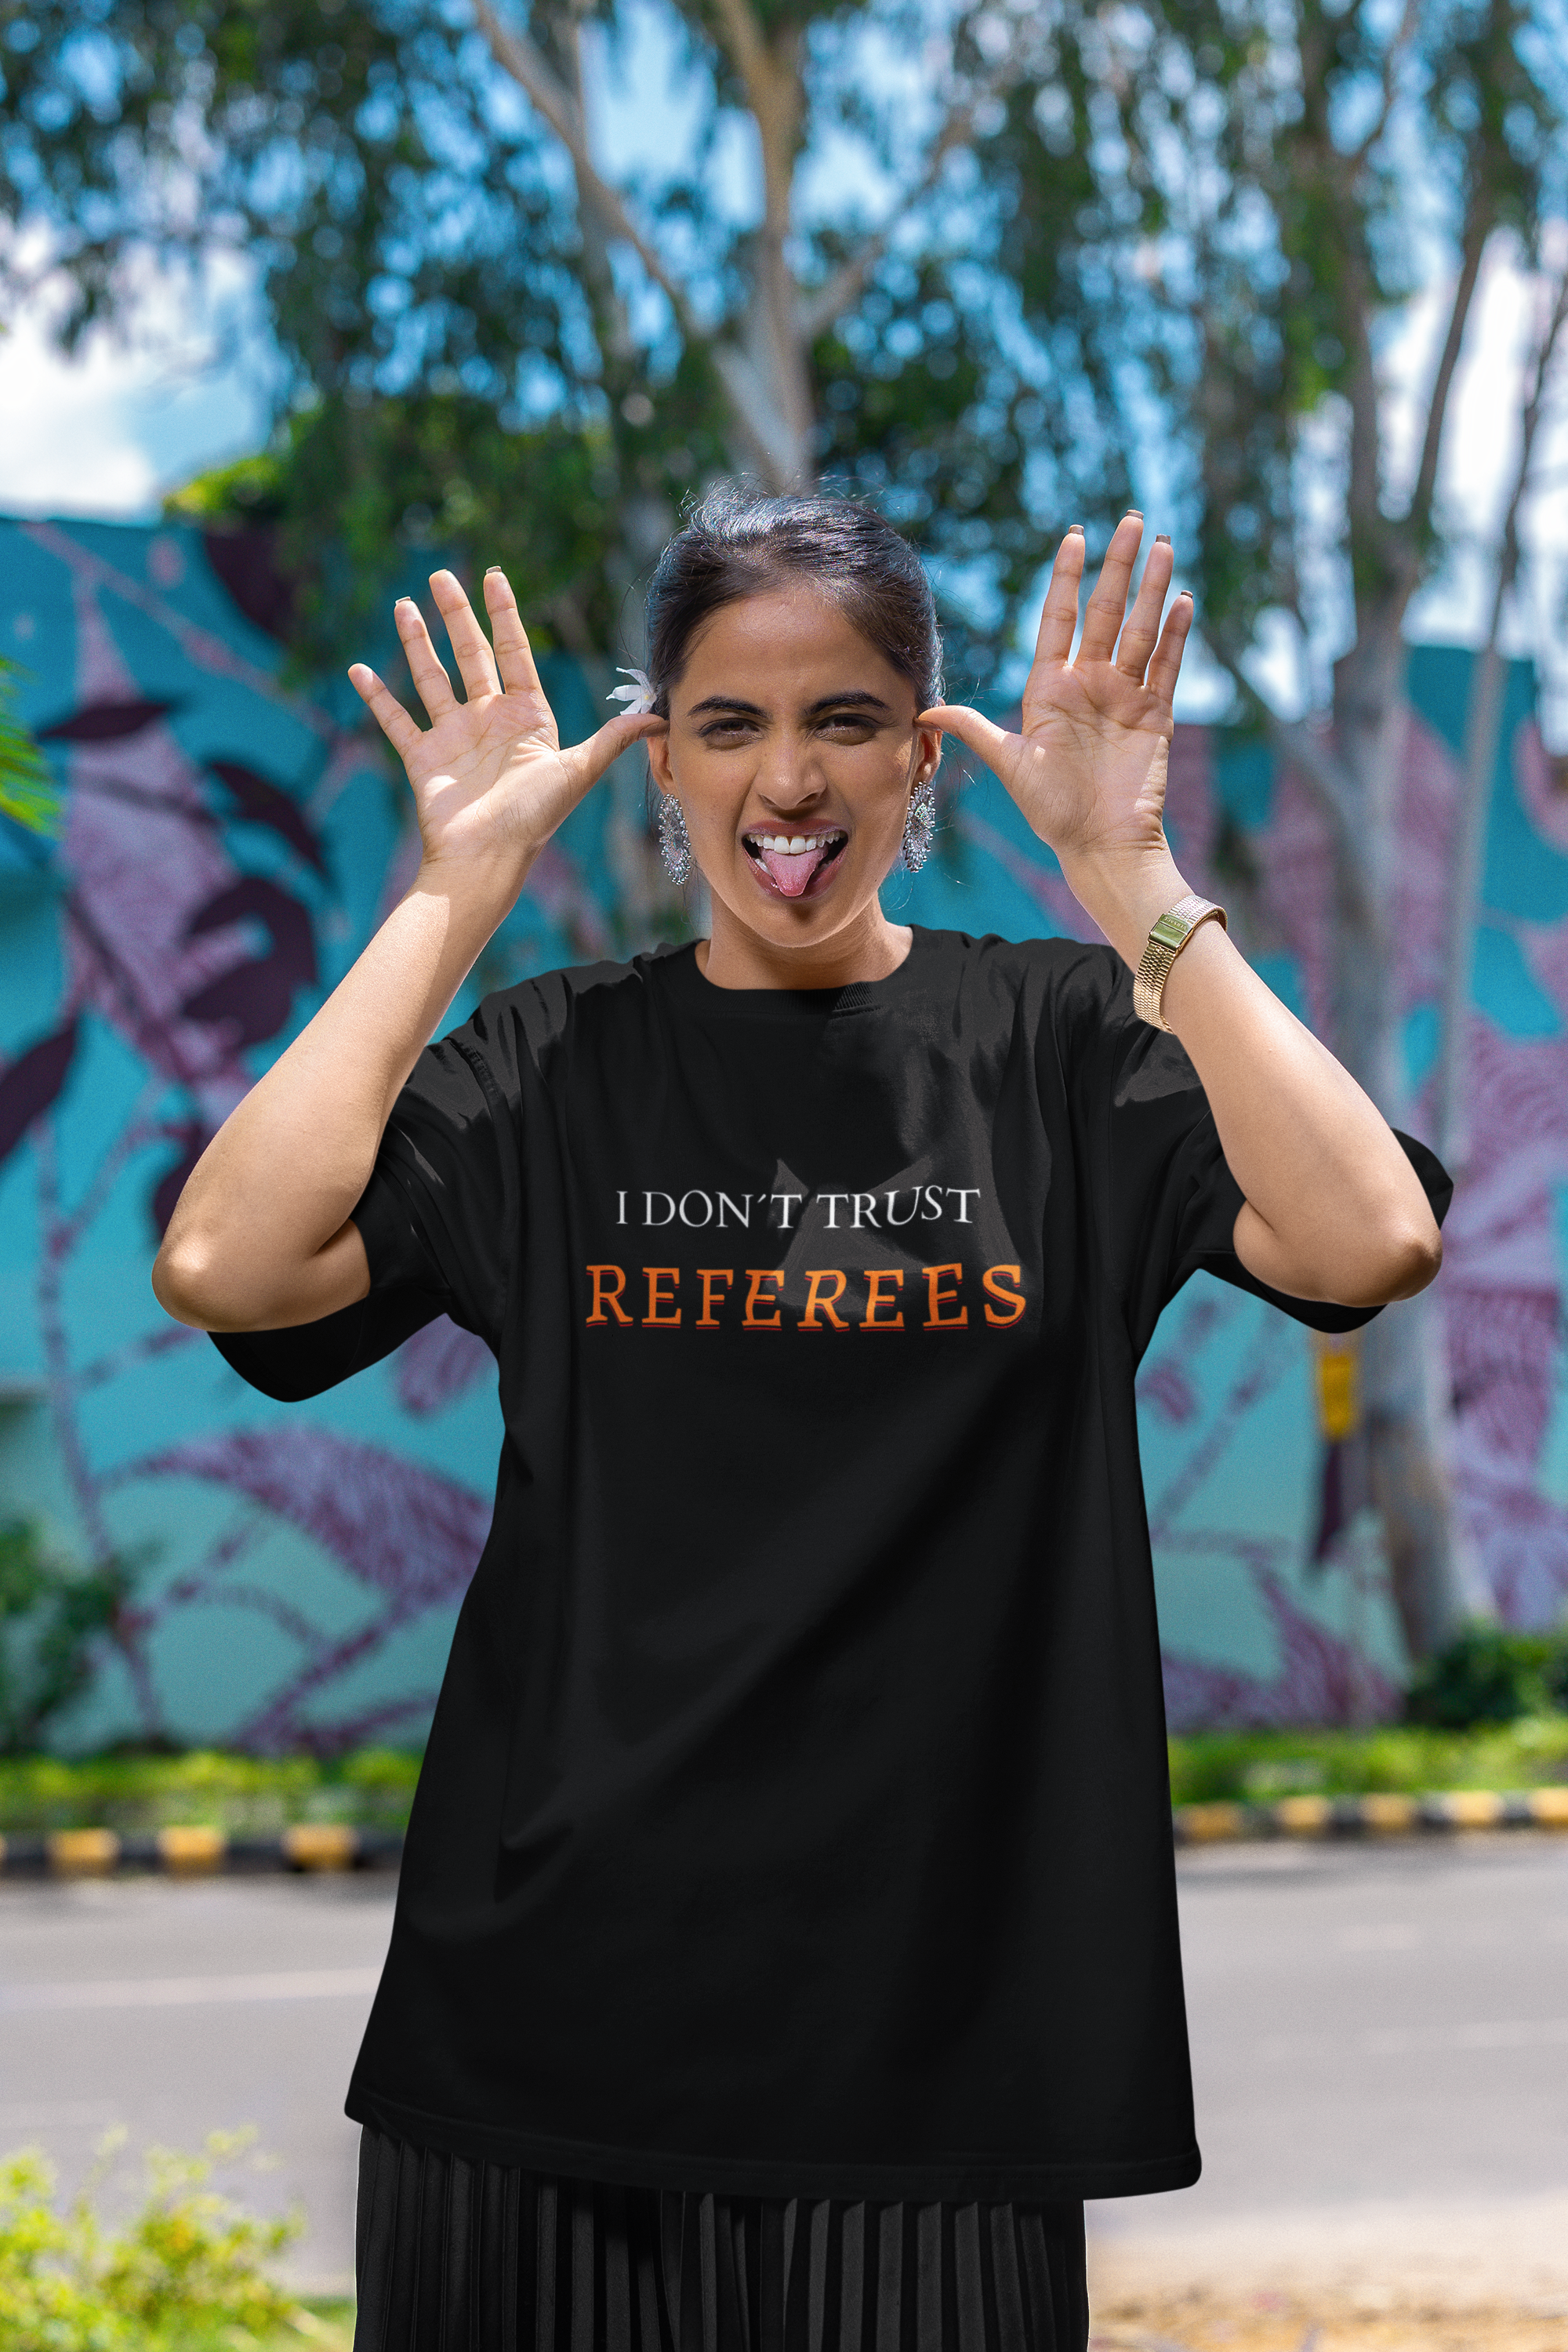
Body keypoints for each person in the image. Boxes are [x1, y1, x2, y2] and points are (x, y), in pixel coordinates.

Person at [153, 490, 1448, 2352]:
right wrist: (456, 891)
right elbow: (228, 1264)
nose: (786, 778)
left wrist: (1129, 876)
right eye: (728, 724)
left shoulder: (1056, 1048)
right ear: (659, 759)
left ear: (921, 755)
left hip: (937, 2066)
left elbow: (1367, 1237)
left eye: (844, 719)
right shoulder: (549, 1067)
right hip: (539, 2041)